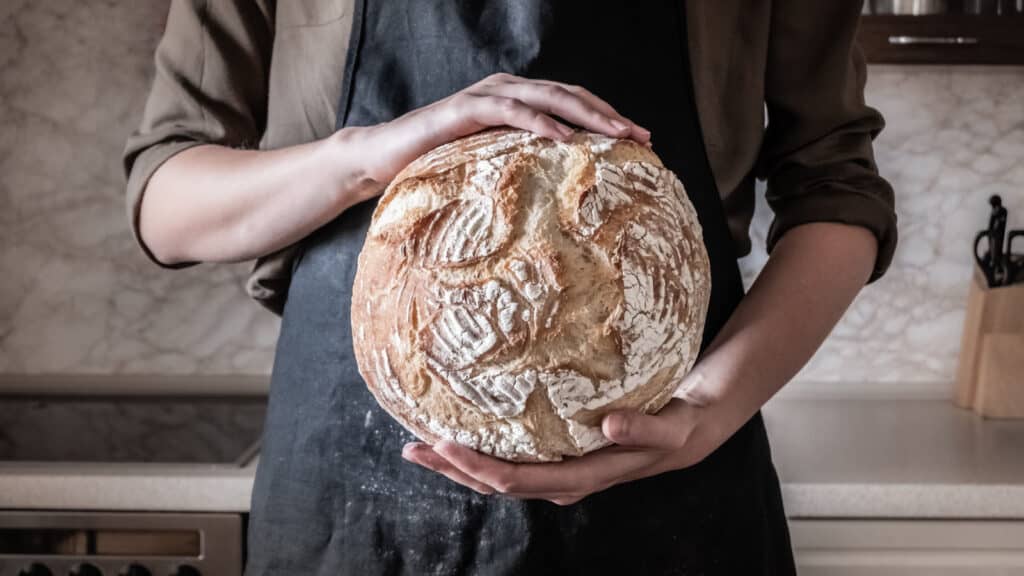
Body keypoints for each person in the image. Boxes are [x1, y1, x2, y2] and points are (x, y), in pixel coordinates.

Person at [124, 1, 896, 574]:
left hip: (669, 482)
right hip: (348, 502)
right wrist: (371, 156)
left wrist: (712, 408)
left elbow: (837, 189)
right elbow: (167, 203)